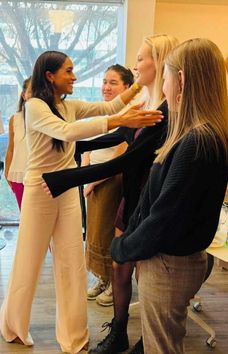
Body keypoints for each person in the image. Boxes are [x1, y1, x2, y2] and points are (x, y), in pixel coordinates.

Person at [0, 50, 163, 354]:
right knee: (28, 261)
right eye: (69, 71)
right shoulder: (35, 107)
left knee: (72, 261)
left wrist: (139, 85)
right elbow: (66, 131)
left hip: (67, 188)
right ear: (50, 76)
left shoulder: (68, 105)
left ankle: (75, 338)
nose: (74, 77)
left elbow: (110, 105)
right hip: (40, 191)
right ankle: (13, 326)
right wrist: (118, 119)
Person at [42, 34, 179, 354]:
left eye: (142, 58)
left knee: (143, 273)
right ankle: (119, 332)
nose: (136, 63)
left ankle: (149, 337)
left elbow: (130, 157)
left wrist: (66, 177)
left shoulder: (166, 110)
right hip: (131, 195)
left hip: (149, 199)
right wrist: (72, 145)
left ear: (159, 63)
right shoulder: (146, 101)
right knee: (120, 265)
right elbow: (118, 134)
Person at [110, 38, 228, 354]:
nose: (163, 87)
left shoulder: (196, 142)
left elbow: (164, 218)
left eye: (166, 76)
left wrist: (122, 247)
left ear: (181, 80)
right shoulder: (204, 135)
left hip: (168, 265)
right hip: (176, 261)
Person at [84, 64, 134, 306]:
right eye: (104, 81)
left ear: (127, 87)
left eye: (113, 82)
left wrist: (93, 180)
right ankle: (102, 278)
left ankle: (114, 283)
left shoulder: (130, 113)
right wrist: (86, 174)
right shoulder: (101, 112)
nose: (106, 87)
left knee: (107, 232)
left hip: (111, 180)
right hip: (92, 180)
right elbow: (89, 143)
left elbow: (121, 156)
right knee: (94, 231)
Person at [4, 77, 31, 209]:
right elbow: (11, 148)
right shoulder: (14, 119)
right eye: (31, 92)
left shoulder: (47, 119)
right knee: (25, 216)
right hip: (18, 174)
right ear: (23, 95)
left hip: (39, 176)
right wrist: (7, 171)